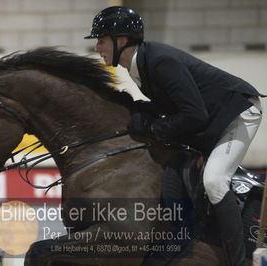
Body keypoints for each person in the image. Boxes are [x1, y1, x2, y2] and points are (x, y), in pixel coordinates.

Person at [85, 6, 264, 266]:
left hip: (238, 112)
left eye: (101, 41)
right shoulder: (137, 67)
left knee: (214, 180)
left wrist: (153, 128)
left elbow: (194, 114)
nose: (97, 48)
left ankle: (237, 262)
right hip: (210, 118)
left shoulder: (159, 61)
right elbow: (169, 108)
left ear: (121, 41)